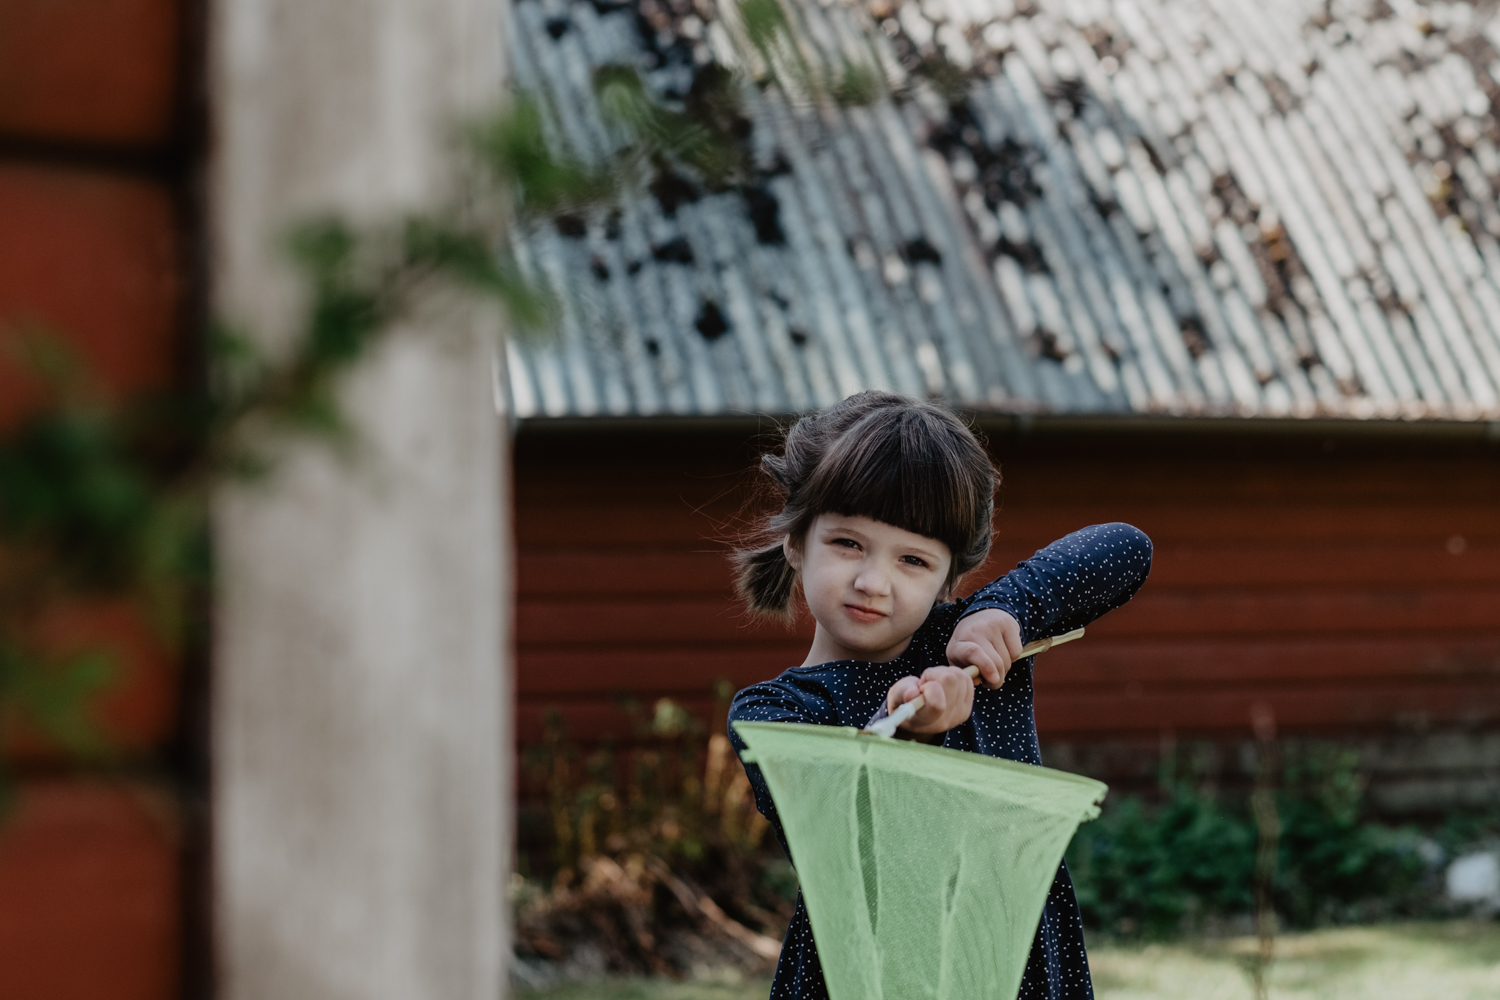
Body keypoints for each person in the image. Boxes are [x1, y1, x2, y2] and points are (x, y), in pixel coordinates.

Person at [726, 391, 1152, 1000]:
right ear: (796, 542)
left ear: (948, 576)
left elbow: (1126, 547)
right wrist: (911, 734)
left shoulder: (975, 643)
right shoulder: (776, 714)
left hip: (1016, 964)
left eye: (913, 560)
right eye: (847, 544)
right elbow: (845, 840)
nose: (874, 581)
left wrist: (1005, 608)